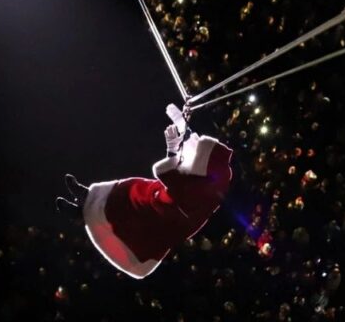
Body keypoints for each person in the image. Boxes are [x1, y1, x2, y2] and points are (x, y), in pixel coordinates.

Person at [57, 105, 233, 279]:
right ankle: (87, 195)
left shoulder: (199, 194)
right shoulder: (208, 178)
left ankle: (81, 213)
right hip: (160, 201)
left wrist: (172, 151)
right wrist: (181, 121)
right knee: (127, 191)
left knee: (125, 217)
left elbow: (164, 171)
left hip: (159, 219)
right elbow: (193, 145)